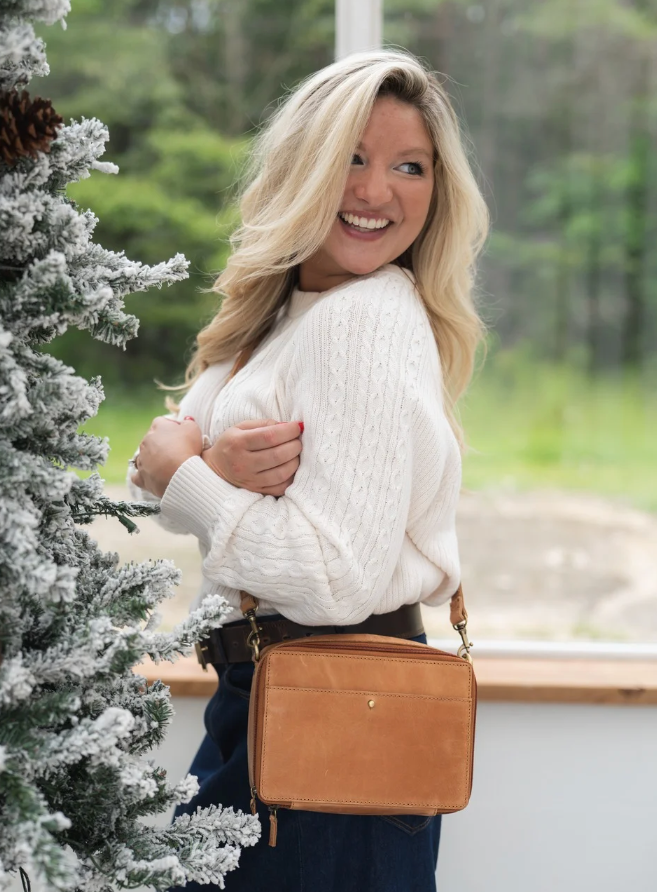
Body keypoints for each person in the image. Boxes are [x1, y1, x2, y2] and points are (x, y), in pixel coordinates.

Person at [128, 47, 488, 892]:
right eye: (351, 159)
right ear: (303, 168)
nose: (375, 192)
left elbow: (329, 580)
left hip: (330, 708)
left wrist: (189, 477)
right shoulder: (287, 310)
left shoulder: (364, 319)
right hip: (271, 702)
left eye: (410, 167)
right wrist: (199, 468)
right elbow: (159, 474)